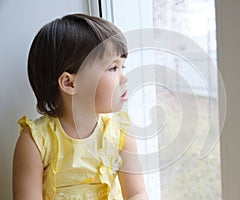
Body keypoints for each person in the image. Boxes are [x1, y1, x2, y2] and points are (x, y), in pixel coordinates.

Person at [13, 13, 148, 200]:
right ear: (69, 84)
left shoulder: (121, 134)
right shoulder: (35, 142)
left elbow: (137, 193)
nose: (124, 77)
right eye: (112, 68)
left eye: (122, 67)